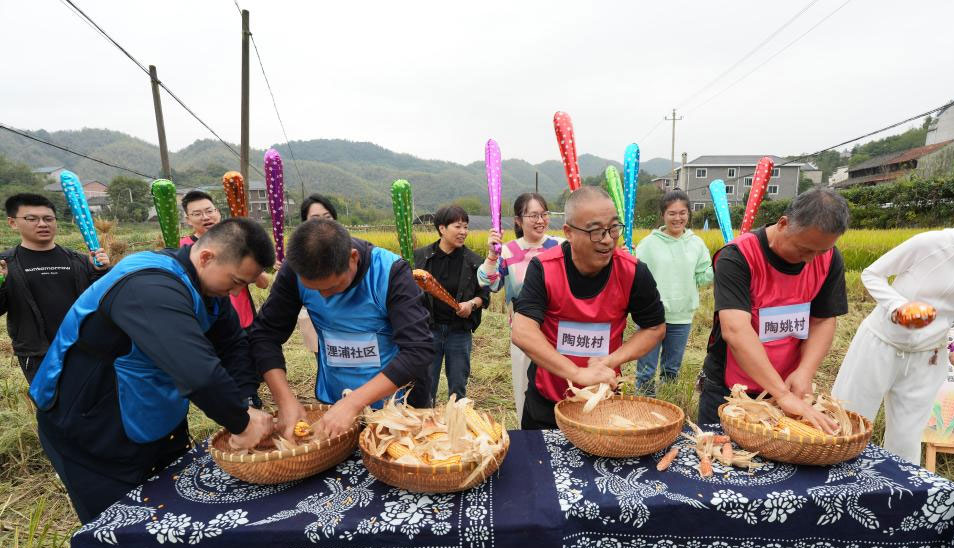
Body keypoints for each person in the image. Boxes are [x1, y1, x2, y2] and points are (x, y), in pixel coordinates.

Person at [29, 218, 276, 523]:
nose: (236, 291)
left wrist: (247, 401)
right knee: (123, 525)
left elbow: (233, 346)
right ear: (207, 256)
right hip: (93, 426)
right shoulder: (148, 285)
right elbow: (197, 371)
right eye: (237, 281)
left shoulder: (209, 290)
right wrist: (241, 421)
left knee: (175, 516)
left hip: (155, 417)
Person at [250, 219, 433, 440]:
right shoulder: (295, 270)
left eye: (333, 287)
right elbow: (264, 335)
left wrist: (354, 402)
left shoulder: (389, 271)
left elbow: (418, 351)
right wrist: (285, 400)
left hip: (397, 408)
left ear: (353, 258)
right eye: (313, 290)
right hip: (334, 402)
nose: (325, 297)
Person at [511, 186, 666, 429]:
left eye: (613, 228)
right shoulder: (545, 268)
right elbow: (522, 331)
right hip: (547, 404)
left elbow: (654, 327)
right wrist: (577, 373)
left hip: (603, 403)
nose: (607, 239)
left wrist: (611, 360)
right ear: (569, 232)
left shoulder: (633, 271)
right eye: (595, 231)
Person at [696, 188, 850, 433]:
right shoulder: (737, 257)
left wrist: (804, 372)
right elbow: (736, 330)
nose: (811, 260)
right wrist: (780, 393)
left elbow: (822, 320)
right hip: (732, 391)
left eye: (820, 251)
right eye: (804, 249)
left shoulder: (829, 258)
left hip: (789, 387)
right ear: (783, 224)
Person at [832, 228, 954, 464]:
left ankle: (900, 494)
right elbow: (872, 274)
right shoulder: (930, 244)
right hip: (880, 342)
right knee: (848, 421)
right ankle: (834, 487)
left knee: (907, 437)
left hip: (929, 355)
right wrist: (899, 306)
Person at [0, 193, 110, 383]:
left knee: (92, 407)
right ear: (12, 222)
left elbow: (104, 300)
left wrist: (102, 271)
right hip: (38, 354)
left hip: (84, 347)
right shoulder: (6, 264)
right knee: (52, 408)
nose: (42, 224)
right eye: (31, 218)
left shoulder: (81, 260)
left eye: (48, 218)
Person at [478, 192, 563, 417]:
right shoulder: (507, 251)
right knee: (525, 388)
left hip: (557, 332)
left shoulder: (561, 247)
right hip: (524, 334)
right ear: (518, 220)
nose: (540, 220)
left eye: (544, 214)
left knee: (560, 389)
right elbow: (488, 282)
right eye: (533, 215)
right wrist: (492, 254)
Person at [634, 190, 713, 394]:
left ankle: (668, 411)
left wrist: (718, 269)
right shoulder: (649, 244)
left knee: (671, 370)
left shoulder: (696, 244)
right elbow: (635, 274)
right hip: (652, 317)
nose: (678, 218)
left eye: (682, 213)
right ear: (663, 215)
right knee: (646, 371)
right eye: (672, 213)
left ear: (688, 214)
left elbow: (703, 276)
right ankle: (643, 414)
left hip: (681, 317)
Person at [414, 205, 490, 403]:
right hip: (428, 331)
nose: (463, 232)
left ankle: (456, 425)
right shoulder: (421, 258)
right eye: (458, 227)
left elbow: (485, 294)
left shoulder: (474, 261)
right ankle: (426, 425)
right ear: (442, 228)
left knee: (458, 385)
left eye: (466, 227)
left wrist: (471, 304)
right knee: (425, 385)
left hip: (459, 332)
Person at [179, 190, 268, 329]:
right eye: (197, 214)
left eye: (209, 211)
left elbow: (263, 284)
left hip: (243, 319)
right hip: (207, 323)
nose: (205, 217)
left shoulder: (239, 241)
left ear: (218, 212)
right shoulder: (182, 248)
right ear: (188, 220)